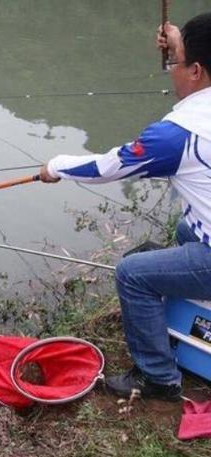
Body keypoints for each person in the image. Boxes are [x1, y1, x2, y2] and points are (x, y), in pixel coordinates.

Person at [39, 12, 211, 401]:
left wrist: (55, 167)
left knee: (133, 273)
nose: (171, 69)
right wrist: (176, 37)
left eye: (176, 61)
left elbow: (107, 167)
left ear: (196, 70)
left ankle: (158, 378)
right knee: (185, 231)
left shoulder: (178, 137)